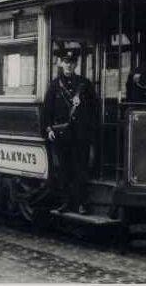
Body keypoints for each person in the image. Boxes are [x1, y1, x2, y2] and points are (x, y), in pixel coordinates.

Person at [42, 47, 98, 213]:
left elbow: (94, 109)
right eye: (66, 63)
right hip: (61, 135)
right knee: (64, 170)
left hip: (80, 135)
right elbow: (47, 110)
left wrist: (90, 131)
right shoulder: (54, 86)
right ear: (61, 64)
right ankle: (67, 202)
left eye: (72, 63)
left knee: (80, 169)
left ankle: (82, 203)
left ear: (76, 65)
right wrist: (48, 129)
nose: (69, 66)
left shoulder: (84, 84)